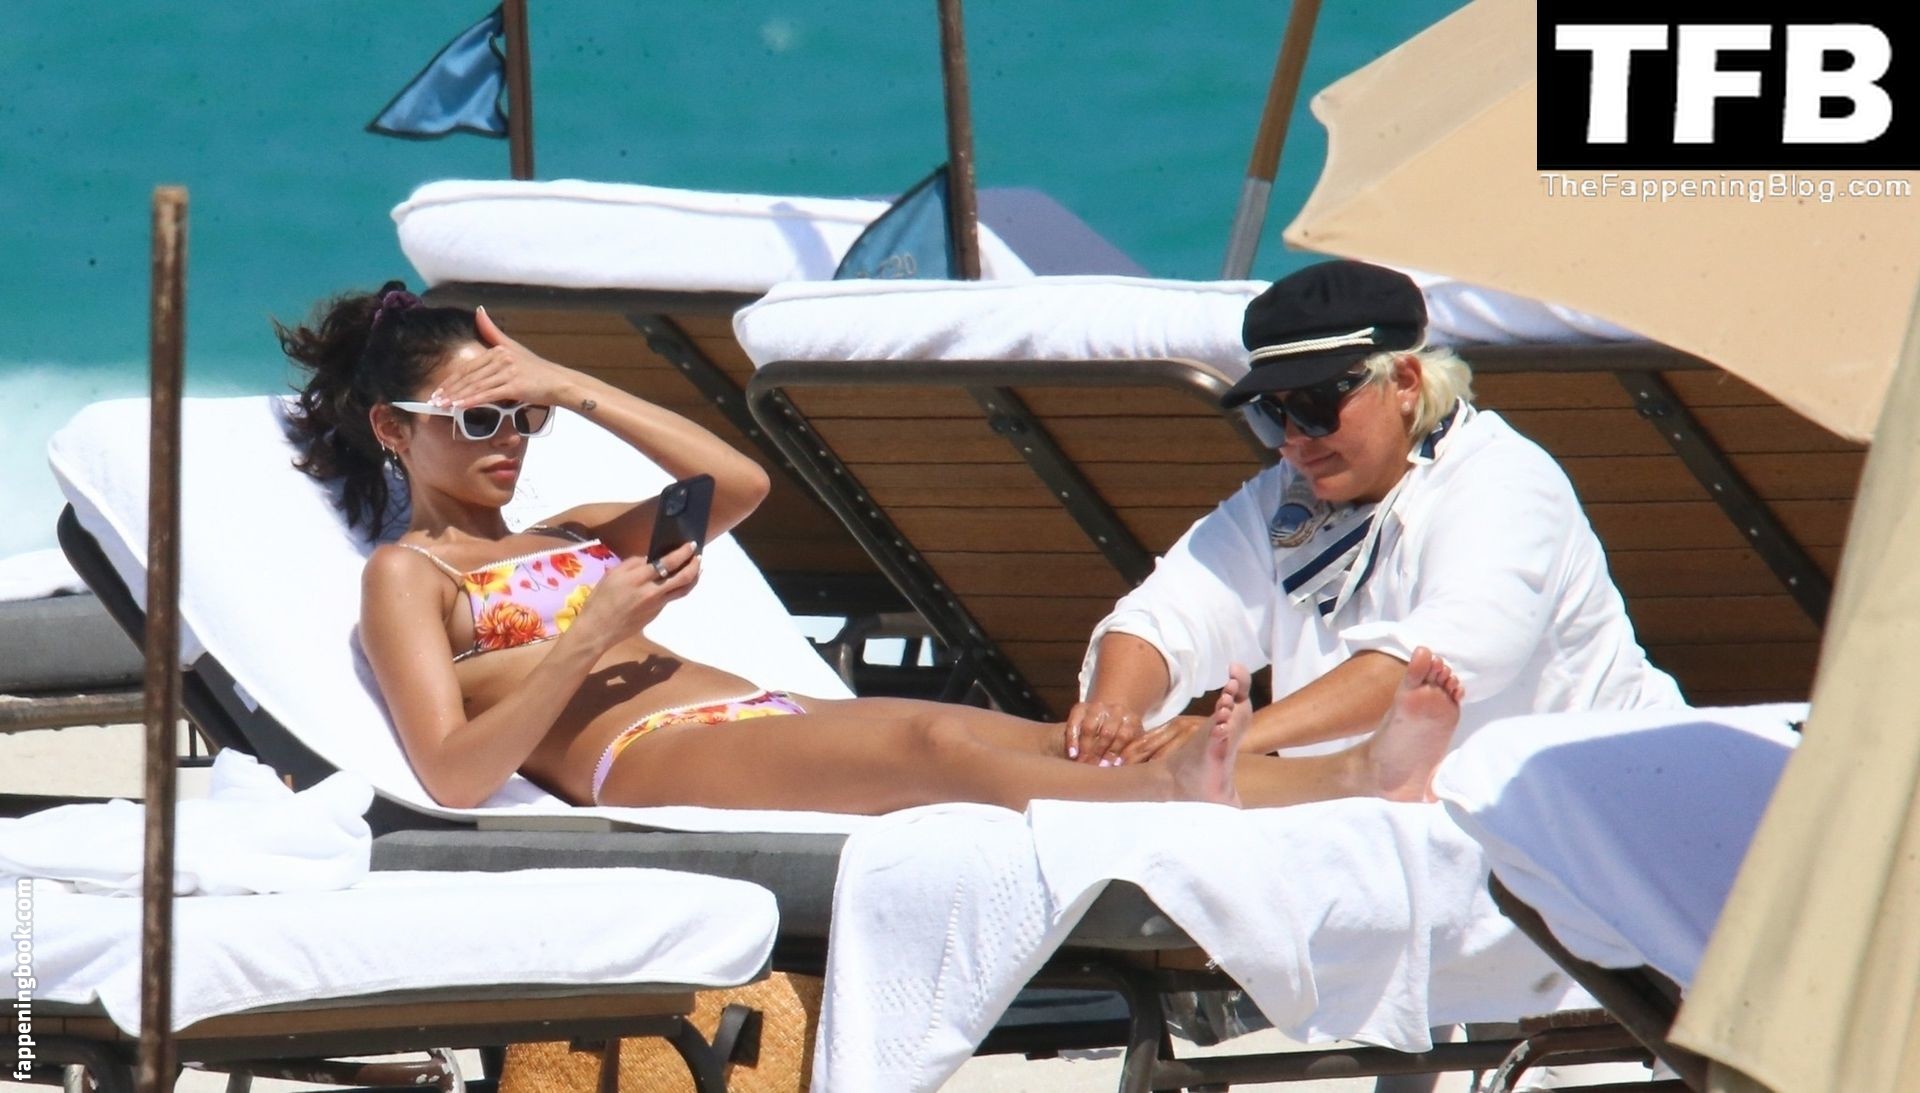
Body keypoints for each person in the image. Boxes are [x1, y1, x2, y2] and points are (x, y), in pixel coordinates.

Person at [284, 281, 1471, 813]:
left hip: (755, 711)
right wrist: (590, 633)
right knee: (931, 740)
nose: (508, 440)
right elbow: (454, 772)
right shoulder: (409, 577)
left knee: (1043, 740)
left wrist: (573, 383)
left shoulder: (574, 530)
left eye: (521, 417)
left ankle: (1351, 776)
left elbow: (737, 483)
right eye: (478, 420)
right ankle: (1219, 792)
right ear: (392, 430)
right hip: (644, 755)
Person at [1067, 260, 1684, 767]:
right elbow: (1171, 613)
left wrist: (1234, 738)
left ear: (1406, 381)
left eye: (1313, 406)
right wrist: (1113, 712)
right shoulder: (1286, 494)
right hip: (1406, 822)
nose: (1293, 439)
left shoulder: (1503, 481)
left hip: (1605, 812)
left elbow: (1433, 660)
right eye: (1270, 414)